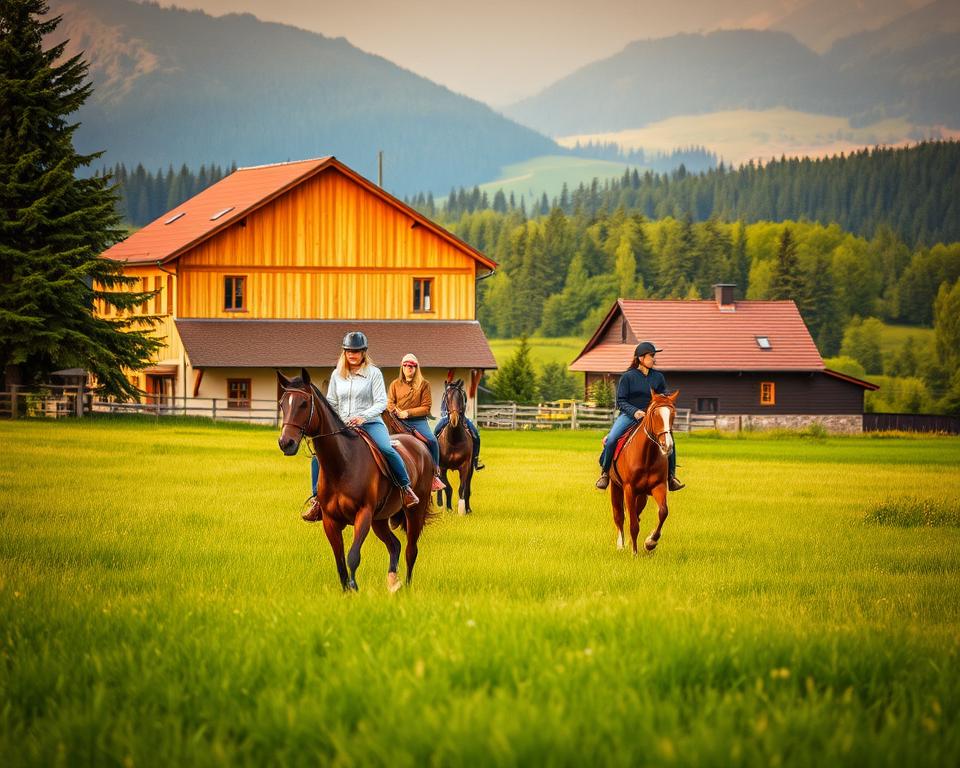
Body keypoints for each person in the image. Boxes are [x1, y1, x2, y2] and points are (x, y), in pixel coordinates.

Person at [306, 331, 418, 521]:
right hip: (343, 426)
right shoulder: (336, 375)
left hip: (371, 423)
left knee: (386, 449)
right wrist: (337, 420)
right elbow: (331, 402)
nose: (352, 354)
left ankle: (405, 488)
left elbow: (382, 402)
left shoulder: (373, 373)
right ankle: (317, 500)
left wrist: (362, 417)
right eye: (349, 351)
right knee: (318, 457)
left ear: (363, 352)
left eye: (356, 351)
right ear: (344, 352)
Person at [595, 341, 684, 492]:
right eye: (651, 356)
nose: (653, 359)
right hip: (630, 415)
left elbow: (662, 395)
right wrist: (635, 412)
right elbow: (621, 401)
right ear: (641, 358)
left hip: (651, 417)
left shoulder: (658, 377)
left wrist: (664, 401)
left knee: (670, 441)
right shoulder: (628, 377)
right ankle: (605, 473)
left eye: (653, 356)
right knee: (611, 439)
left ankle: (671, 476)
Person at [388, 353, 445, 491]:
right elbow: (390, 401)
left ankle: (434, 475)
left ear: (416, 368)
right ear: (402, 367)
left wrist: (407, 413)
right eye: (406, 365)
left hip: (417, 421)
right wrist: (395, 410)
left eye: (411, 366)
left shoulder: (424, 384)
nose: (408, 368)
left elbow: (426, 408)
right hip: (396, 420)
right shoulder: (395, 384)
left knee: (432, 441)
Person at [433, 378, 485, 471]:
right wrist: (447, 415)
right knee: (434, 434)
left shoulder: (461, 394)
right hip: (446, 417)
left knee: (476, 435)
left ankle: (475, 461)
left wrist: (459, 414)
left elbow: (464, 406)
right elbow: (443, 408)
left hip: (462, 418)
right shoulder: (446, 394)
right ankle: (434, 460)